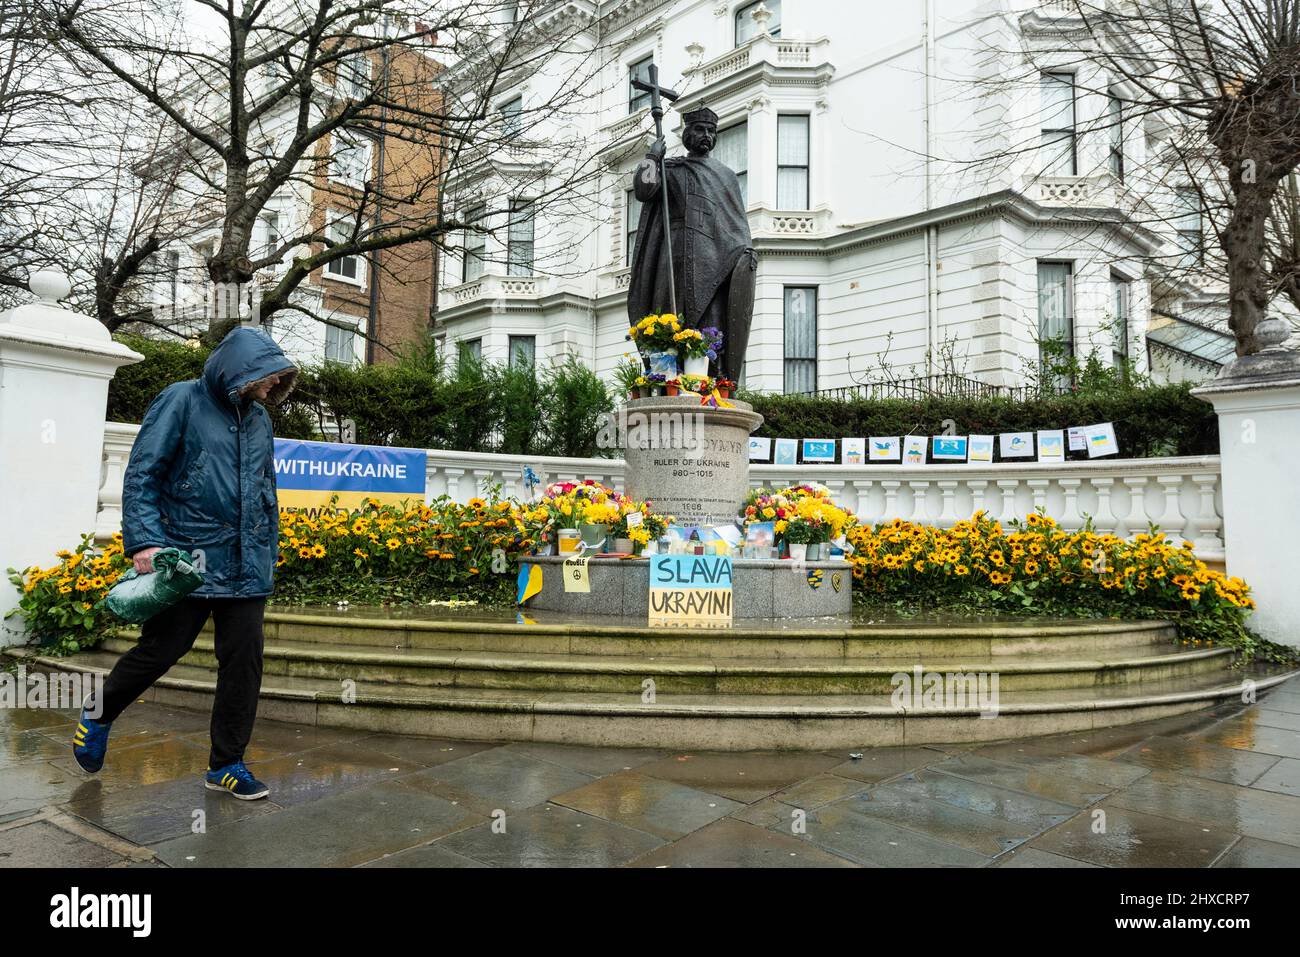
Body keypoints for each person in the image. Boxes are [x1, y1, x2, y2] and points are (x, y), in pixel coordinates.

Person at [72, 326, 297, 800]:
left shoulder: (259, 418)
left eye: (278, 378)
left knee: (244, 663)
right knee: (161, 651)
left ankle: (227, 764)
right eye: (267, 376)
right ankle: (97, 713)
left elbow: (265, 486)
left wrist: (268, 544)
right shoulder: (181, 400)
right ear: (240, 369)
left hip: (245, 564)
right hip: (185, 559)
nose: (273, 385)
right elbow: (141, 474)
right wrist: (144, 543)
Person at [626, 105, 757, 383]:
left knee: (710, 323)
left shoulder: (726, 177)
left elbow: (736, 224)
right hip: (672, 257)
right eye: (700, 129)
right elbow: (644, 190)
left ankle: (707, 379)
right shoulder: (671, 168)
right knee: (667, 319)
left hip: (714, 261)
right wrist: (652, 157)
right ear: (686, 134)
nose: (706, 135)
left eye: (711, 131)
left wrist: (744, 255)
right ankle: (665, 378)